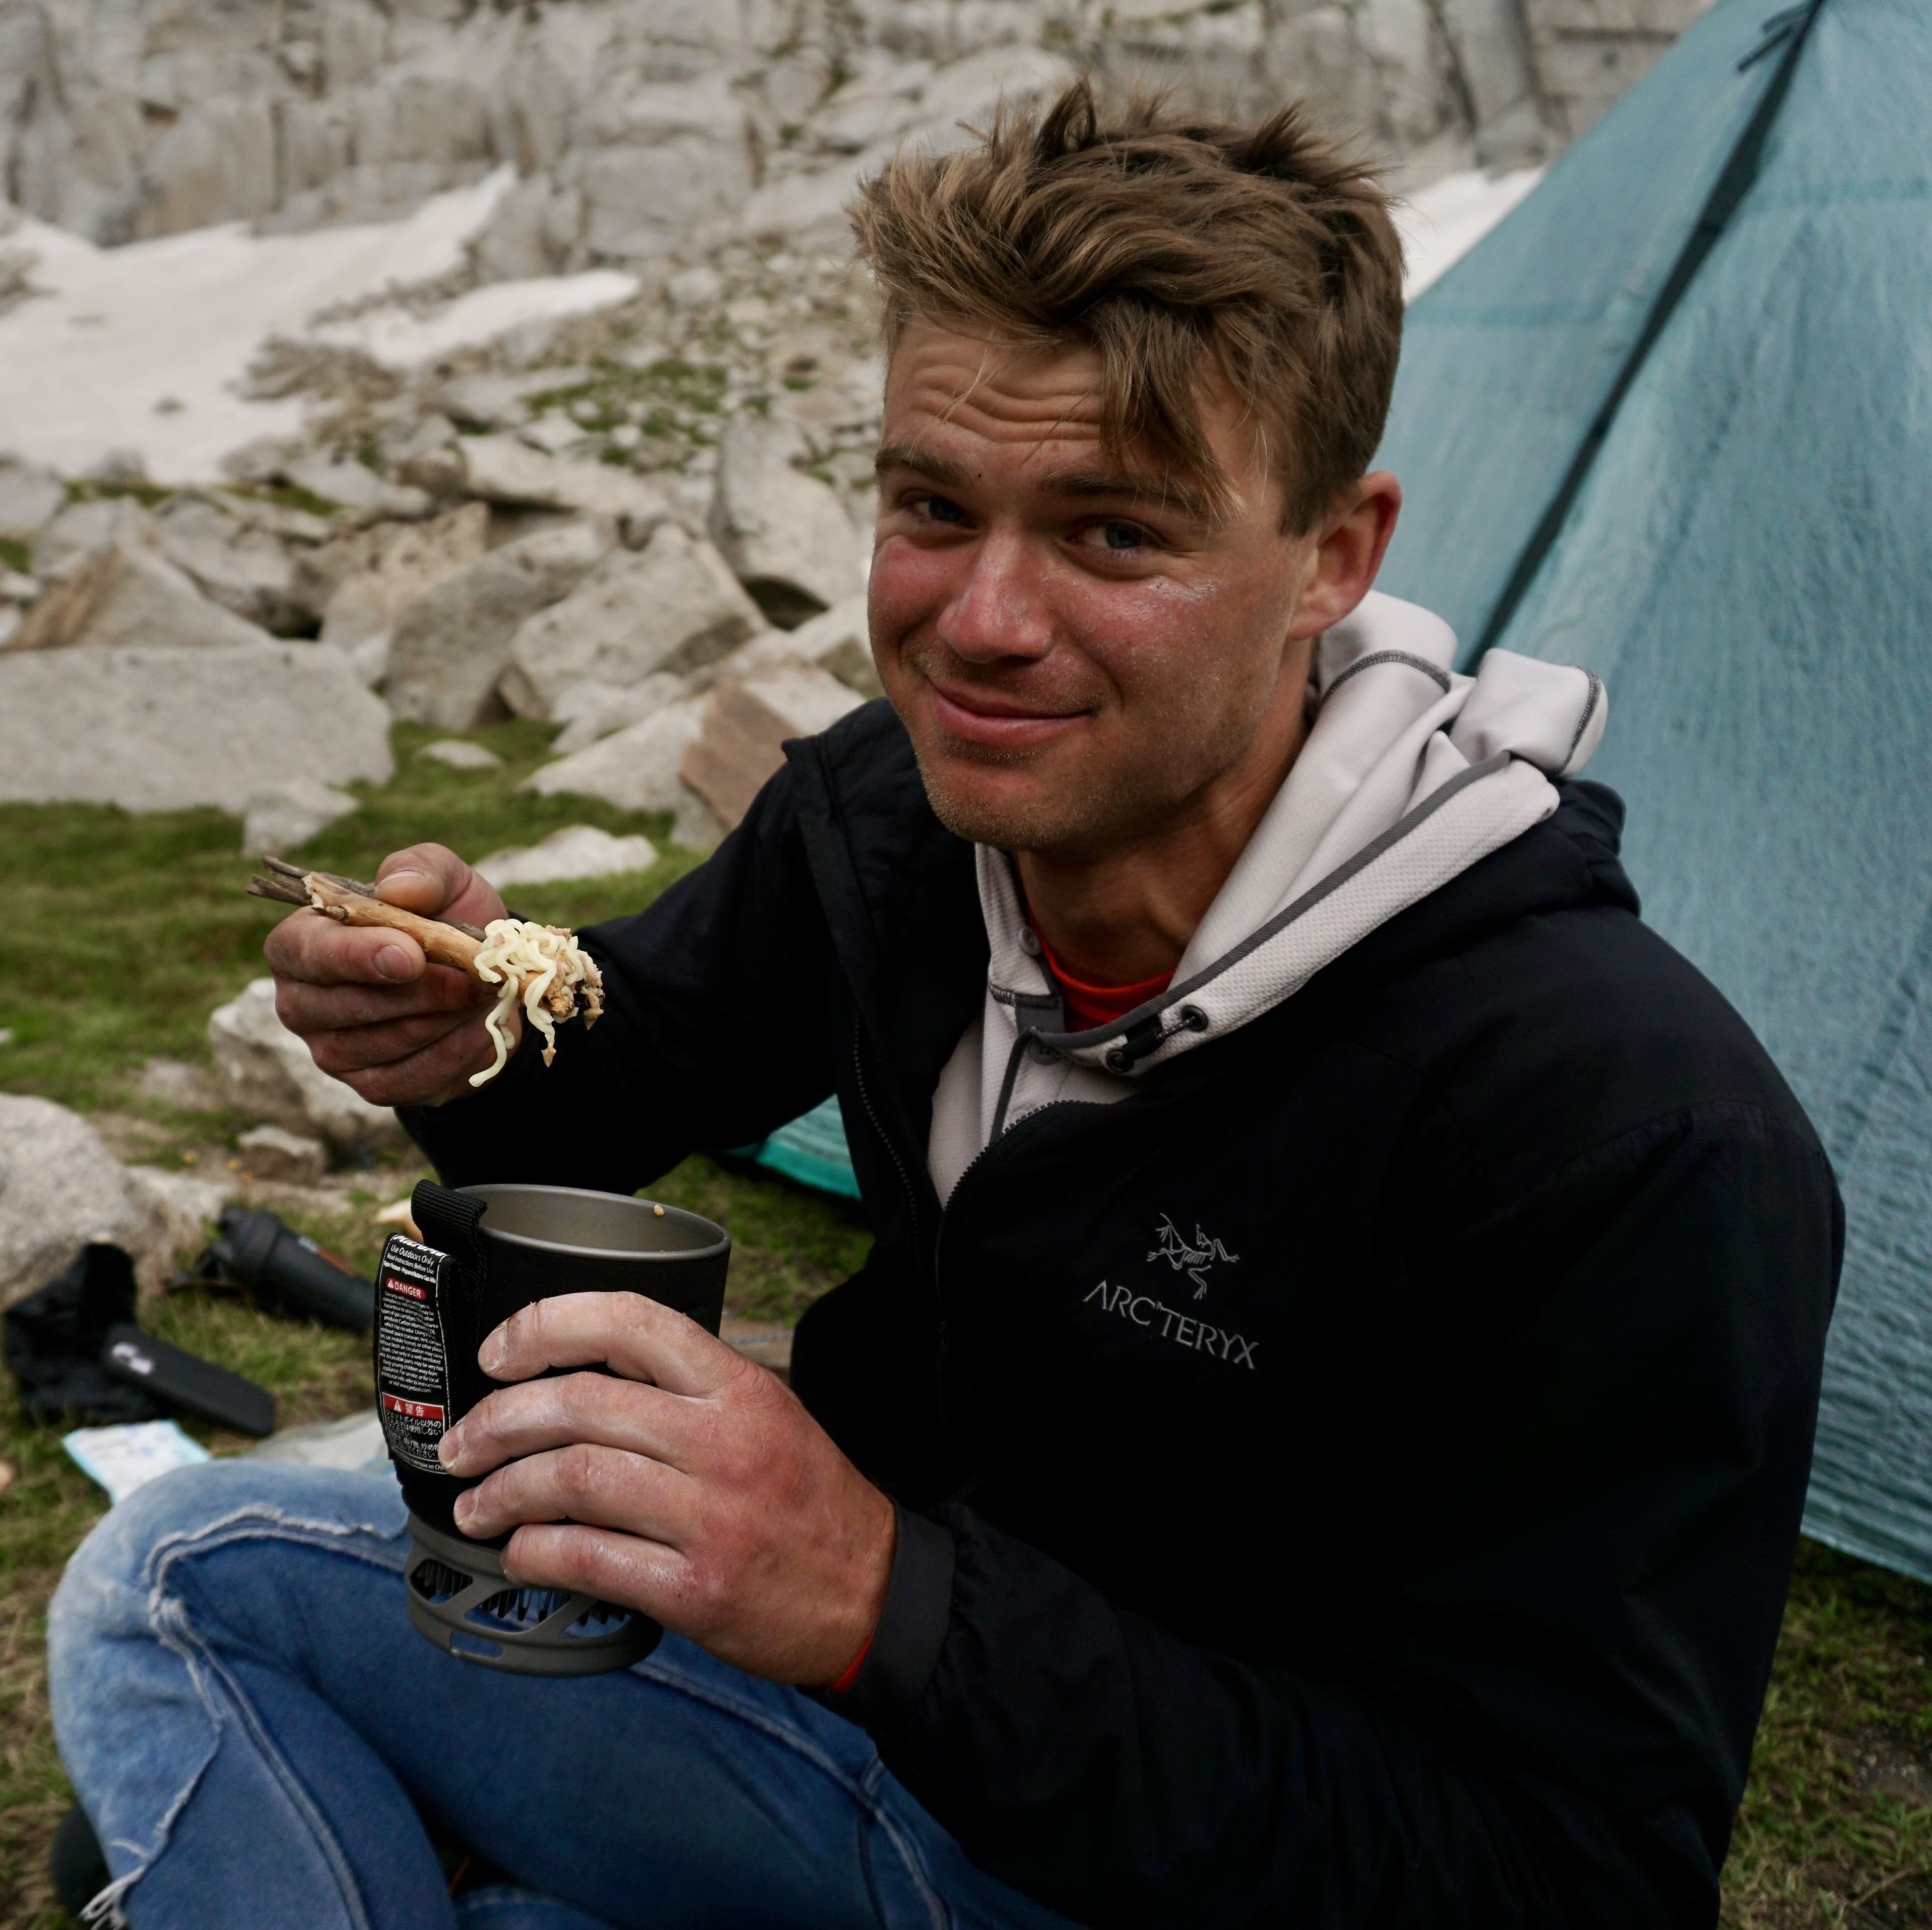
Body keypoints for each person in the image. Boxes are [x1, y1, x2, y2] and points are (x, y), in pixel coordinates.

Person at [48, 81, 1840, 1930]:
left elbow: (1567, 1875)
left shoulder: (1623, 1135)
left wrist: (884, 1599)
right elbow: (620, 1067)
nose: (981, 620)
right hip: (846, 1724)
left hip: (1149, 1862)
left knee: (187, 1577)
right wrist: (468, 1037)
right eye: (931, 505)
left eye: (1114, 534)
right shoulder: (899, 821)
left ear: (1334, 553)